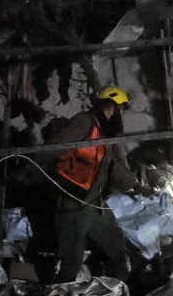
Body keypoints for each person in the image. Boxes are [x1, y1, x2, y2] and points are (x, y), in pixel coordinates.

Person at [47, 86, 145, 283]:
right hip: (74, 201)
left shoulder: (104, 132)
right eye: (120, 109)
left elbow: (110, 165)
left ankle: (120, 291)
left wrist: (136, 185)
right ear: (111, 105)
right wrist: (27, 171)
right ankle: (59, 295)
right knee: (71, 261)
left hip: (94, 202)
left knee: (115, 245)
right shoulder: (84, 123)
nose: (120, 115)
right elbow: (53, 148)